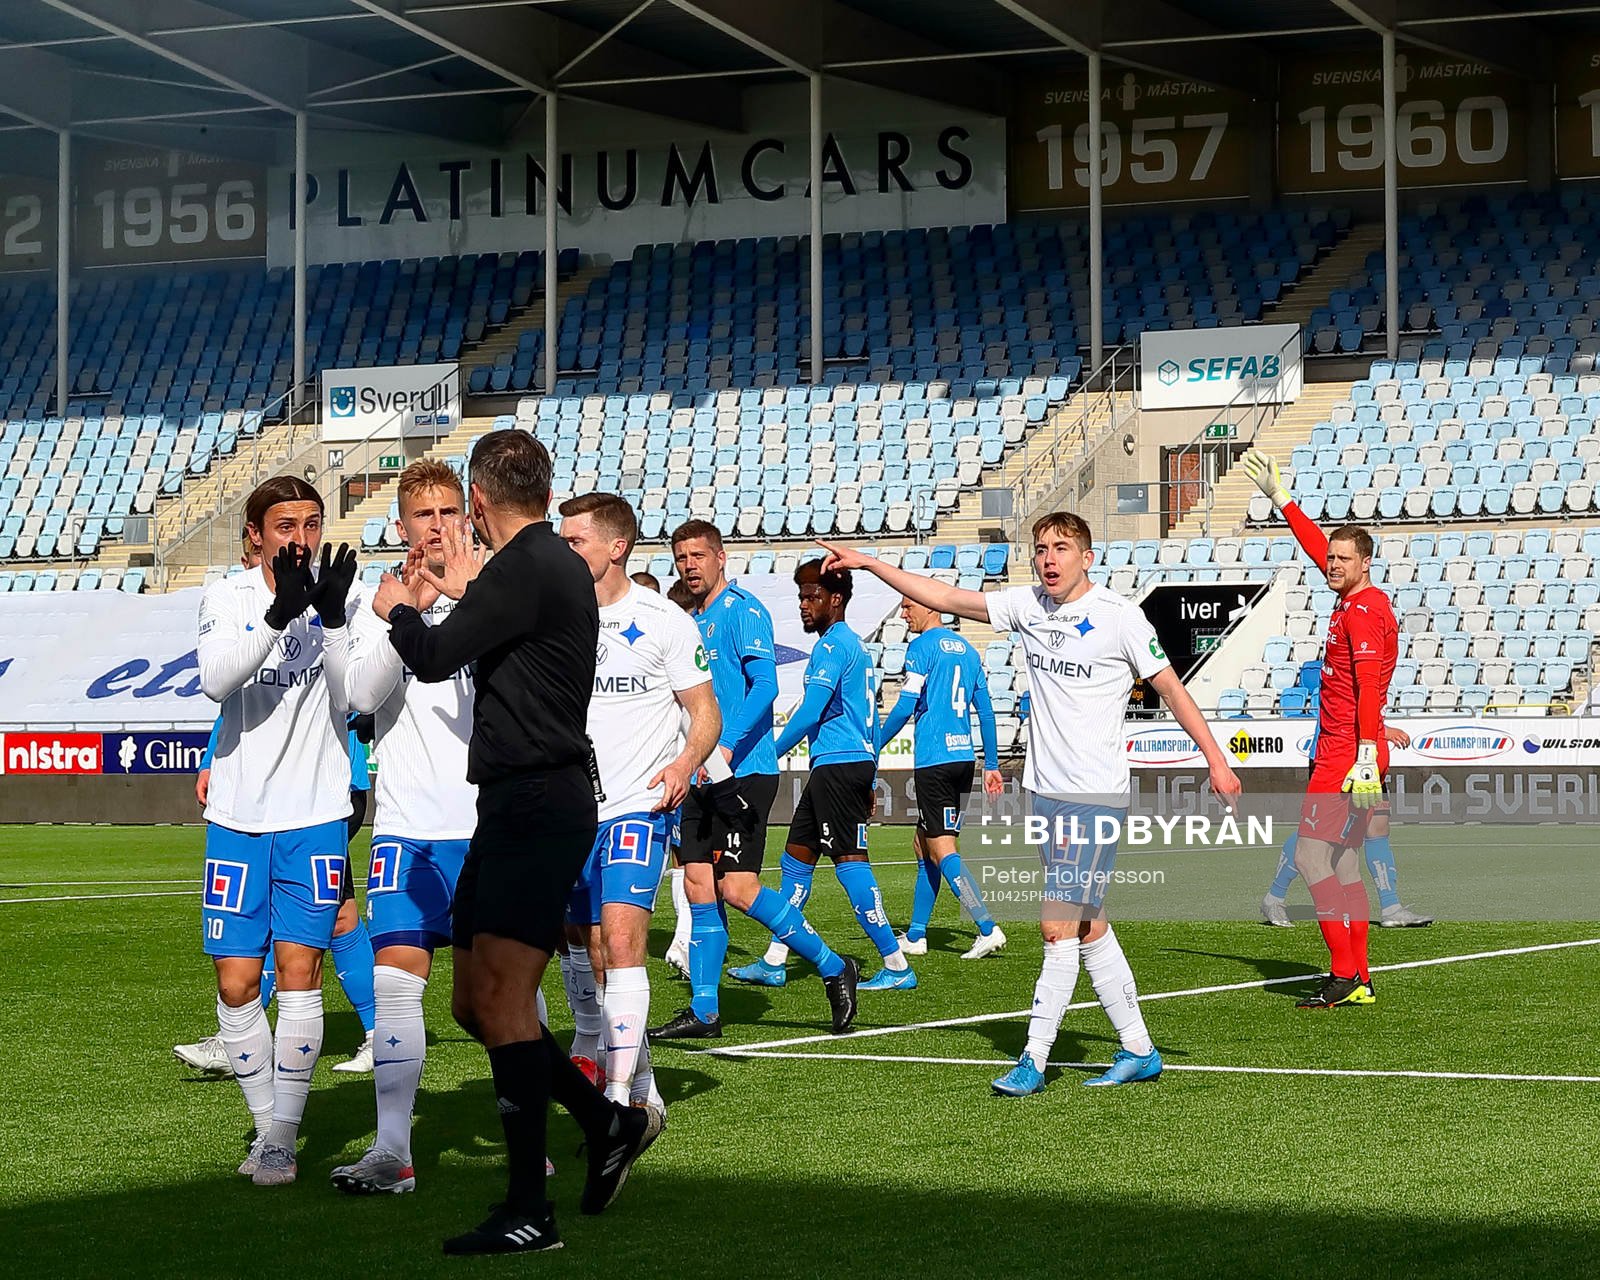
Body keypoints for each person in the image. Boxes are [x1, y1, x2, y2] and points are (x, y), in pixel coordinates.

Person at [819, 513, 1242, 1095]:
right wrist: (869, 563)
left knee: (1054, 924)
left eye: (1061, 548)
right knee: (1088, 926)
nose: (1048, 558)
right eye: (1041, 548)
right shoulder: (1028, 606)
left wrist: (1216, 761)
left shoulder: (1120, 618)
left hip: (1094, 796)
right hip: (1045, 794)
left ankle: (1034, 1058)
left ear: (1086, 557)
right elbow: (943, 594)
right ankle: (1139, 1048)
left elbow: (1171, 688)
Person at [370, 430, 653, 1255]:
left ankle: (531, 1206)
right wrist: (465, 587)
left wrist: (399, 608)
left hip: (537, 802)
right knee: (473, 1002)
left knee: (499, 1002)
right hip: (514, 803)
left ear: (481, 500)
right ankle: (606, 1123)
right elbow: (498, 632)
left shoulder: (528, 564)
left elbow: (429, 659)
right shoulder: (535, 565)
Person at [196, 477, 359, 1185]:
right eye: (285, 524)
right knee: (236, 984)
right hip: (238, 815)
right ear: (256, 534)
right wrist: (276, 616)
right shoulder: (227, 597)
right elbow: (213, 681)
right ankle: (267, 1122)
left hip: (317, 811)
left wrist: (332, 622)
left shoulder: (340, 593)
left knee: (300, 973)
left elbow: (356, 697)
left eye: (312, 523)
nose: (300, 537)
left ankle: (279, 1137)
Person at [326, 460, 478, 1195]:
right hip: (408, 829)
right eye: (424, 515)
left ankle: (528, 1138)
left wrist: (456, 594)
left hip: (489, 827)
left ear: (469, 517)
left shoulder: (493, 592)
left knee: (501, 996)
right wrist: (399, 615)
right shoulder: (374, 602)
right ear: (401, 527)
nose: (438, 525)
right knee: (395, 986)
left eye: (450, 511)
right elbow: (360, 693)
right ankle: (393, 1152)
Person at [650, 521, 859, 1039]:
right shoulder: (686, 621)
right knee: (698, 885)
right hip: (696, 773)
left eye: (698, 555)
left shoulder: (743, 611)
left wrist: (723, 744)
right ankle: (704, 1010)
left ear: (721, 558)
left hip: (744, 770)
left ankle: (834, 967)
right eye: (681, 558)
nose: (689, 565)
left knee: (739, 888)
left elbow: (765, 685)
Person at [558, 493, 720, 1115]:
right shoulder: (556, 613)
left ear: (616, 547)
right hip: (571, 811)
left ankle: (617, 1103)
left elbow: (704, 712)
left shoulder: (664, 620)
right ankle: (642, 1088)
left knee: (623, 943)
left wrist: (683, 764)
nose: (565, 550)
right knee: (589, 947)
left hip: (638, 806)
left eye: (576, 541)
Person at [1243, 450, 1399, 1009]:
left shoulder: (1359, 614)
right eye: (1329, 557)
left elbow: (1365, 685)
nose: (1330, 564)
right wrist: (1283, 502)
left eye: (1341, 559)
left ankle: (1343, 974)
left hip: (1344, 754)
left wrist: (1361, 752)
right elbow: (1317, 548)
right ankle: (1360, 976)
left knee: (1311, 859)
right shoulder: (1361, 598)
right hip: (1354, 749)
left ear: (1365, 563)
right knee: (1343, 862)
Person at [755, 559, 912, 992]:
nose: (804, 605)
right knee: (795, 858)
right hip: (845, 764)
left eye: (813, 597)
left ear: (836, 600)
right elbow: (871, 723)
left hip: (838, 766)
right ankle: (774, 958)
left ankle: (896, 963)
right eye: (801, 597)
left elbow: (810, 712)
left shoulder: (831, 647)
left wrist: (768, 753)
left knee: (850, 864)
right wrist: (872, 773)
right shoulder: (854, 647)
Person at [876, 596, 1008, 961]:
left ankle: (986, 926)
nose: (904, 614)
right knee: (924, 845)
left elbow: (904, 705)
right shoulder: (967, 650)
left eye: (907, 606)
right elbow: (986, 711)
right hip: (963, 759)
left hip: (934, 759)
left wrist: (874, 745)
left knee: (942, 848)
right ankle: (917, 935)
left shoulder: (921, 648)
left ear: (929, 607)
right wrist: (992, 763)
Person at [1262, 724, 1432, 929]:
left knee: (1378, 825)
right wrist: (1382, 731)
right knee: (1317, 835)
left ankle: (1391, 907)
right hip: (1335, 755)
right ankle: (1274, 897)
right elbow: (1339, 713)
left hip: (1368, 759)